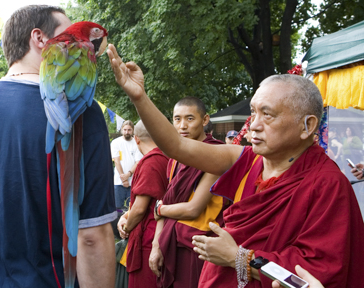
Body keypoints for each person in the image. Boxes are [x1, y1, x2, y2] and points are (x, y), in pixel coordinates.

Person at [107, 43, 364, 288]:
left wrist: (239, 258)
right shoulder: (245, 159)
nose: (254, 125)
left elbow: (313, 275)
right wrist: (139, 97)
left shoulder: (327, 184)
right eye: (254, 113)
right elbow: (177, 146)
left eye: (268, 114)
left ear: (307, 126)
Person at [0, 6, 116, 288]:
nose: (78, 44)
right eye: (69, 35)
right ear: (40, 39)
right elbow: (91, 236)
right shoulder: (81, 113)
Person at [148, 96, 225, 288]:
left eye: (190, 119)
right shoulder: (174, 159)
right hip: (172, 243)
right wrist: (156, 246)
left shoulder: (216, 154)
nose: (183, 126)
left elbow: (193, 209)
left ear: (205, 120)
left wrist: (160, 210)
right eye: (177, 119)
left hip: (201, 246)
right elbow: (167, 201)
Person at [117, 120, 169, 288]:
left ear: (136, 139)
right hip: (160, 234)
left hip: (149, 239)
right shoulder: (166, 158)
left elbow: (139, 209)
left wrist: (126, 229)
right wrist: (125, 216)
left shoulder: (151, 162)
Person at [111, 120, 143, 212]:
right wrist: (123, 178)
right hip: (118, 182)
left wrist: (128, 175)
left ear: (133, 130)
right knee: (117, 209)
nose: (127, 132)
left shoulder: (137, 143)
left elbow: (138, 162)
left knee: (132, 209)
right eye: (125, 130)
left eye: (129, 130)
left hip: (133, 181)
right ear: (121, 130)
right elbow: (116, 161)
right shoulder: (115, 142)